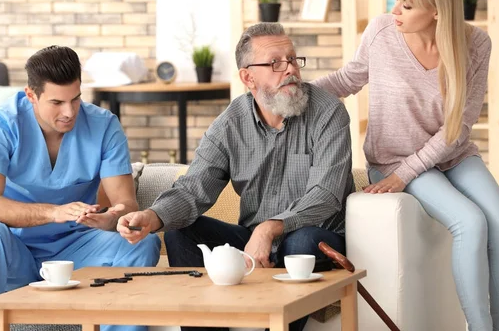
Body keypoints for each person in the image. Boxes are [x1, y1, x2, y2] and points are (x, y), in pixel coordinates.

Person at [312, 0, 499, 330]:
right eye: (395, 0)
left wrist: (410, 172)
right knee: (470, 223)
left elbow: (458, 128)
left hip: (453, 155)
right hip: (393, 159)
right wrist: (292, 92)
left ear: (437, 12)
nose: (395, 11)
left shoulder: (475, 44)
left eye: (406, 5)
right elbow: (348, 79)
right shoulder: (381, 32)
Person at [117, 23, 354, 331]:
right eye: (275, 63)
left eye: (293, 59)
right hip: (255, 242)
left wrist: (270, 228)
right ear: (247, 77)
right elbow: (194, 189)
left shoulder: (329, 113)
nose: (291, 70)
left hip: (317, 240)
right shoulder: (229, 124)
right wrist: (152, 216)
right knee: (180, 231)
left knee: (302, 239)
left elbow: (326, 195)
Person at [0, 46, 161, 331]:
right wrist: (53, 212)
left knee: (144, 242)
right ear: (31, 95)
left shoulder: (105, 126)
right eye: (57, 102)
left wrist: (113, 218)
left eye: (76, 99)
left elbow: (125, 204)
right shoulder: (0, 123)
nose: (69, 112)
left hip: (78, 249)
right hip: (17, 252)